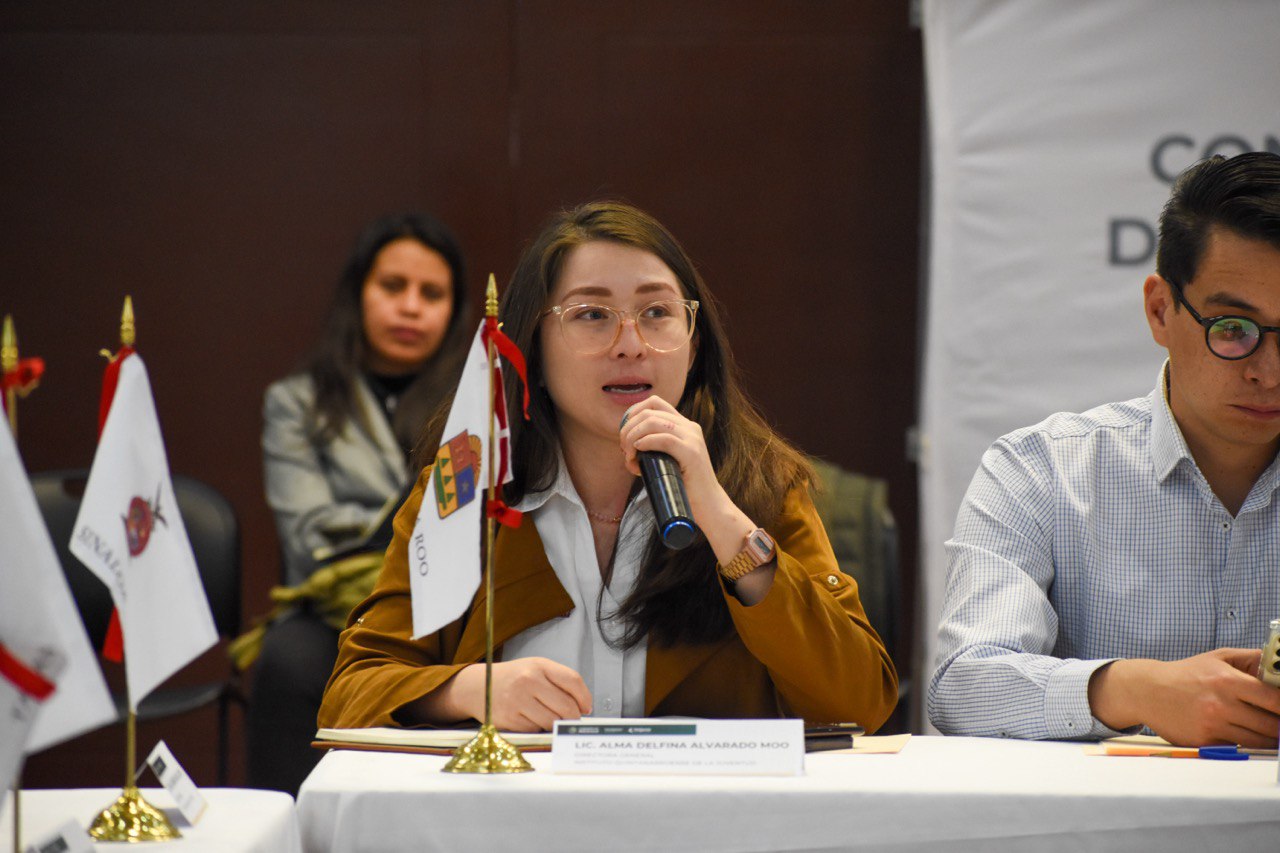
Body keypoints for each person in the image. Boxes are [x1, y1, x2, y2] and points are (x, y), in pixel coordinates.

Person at [319, 201, 898, 733]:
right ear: (533, 347)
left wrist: (724, 521)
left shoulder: (763, 488)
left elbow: (861, 703)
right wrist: (468, 691)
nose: (630, 344)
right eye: (593, 314)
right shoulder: (468, 489)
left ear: (694, 345)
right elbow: (350, 696)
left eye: (657, 312)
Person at [929, 151, 1280, 747]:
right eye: (1232, 329)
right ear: (1160, 310)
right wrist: (1133, 690)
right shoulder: (1040, 471)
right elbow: (961, 685)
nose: (1268, 373)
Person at [248, 212, 470, 793]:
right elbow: (312, 538)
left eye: (432, 294)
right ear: (358, 294)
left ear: (454, 310)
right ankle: (290, 824)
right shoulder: (296, 403)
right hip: (333, 609)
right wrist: (413, 523)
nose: (411, 307)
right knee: (287, 659)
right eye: (393, 286)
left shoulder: (475, 405)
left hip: (449, 604)